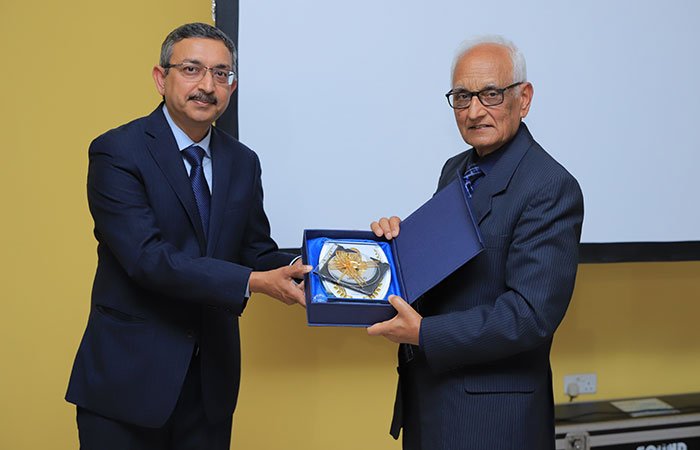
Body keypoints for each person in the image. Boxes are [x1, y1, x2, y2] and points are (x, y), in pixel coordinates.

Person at [66, 23, 310, 450]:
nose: (207, 86)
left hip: (209, 386)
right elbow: (147, 259)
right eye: (192, 69)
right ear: (161, 78)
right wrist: (253, 282)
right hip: (127, 382)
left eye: (221, 74)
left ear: (232, 86)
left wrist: (305, 268)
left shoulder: (243, 161)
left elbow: (254, 248)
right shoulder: (117, 151)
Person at [369, 35, 584, 449]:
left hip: (493, 420)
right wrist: (394, 249)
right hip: (430, 400)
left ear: (524, 98)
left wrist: (425, 332)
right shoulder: (455, 169)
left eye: (491, 94)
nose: (474, 111)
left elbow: (530, 316)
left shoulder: (549, 185)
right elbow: (440, 271)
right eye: (462, 97)